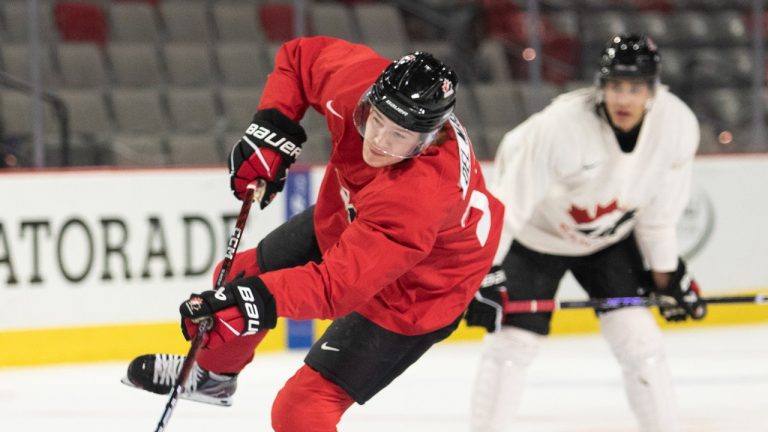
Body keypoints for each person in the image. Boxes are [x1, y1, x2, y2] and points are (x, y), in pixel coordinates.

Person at [121, 36, 503, 431]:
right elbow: (299, 58)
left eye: (398, 137)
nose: (376, 142)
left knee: (300, 410)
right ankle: (213, 380)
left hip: (424, 286)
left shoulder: (417, 195)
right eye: (376, 121)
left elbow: (335, 288)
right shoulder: (359, 85)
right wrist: (271, 128)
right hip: (359, 216)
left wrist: (253, 304)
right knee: (238, 275)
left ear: (425, 142)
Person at [464, 33, 707, 432]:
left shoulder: (676, 125)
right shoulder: (559, 128)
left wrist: (668, 278)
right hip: (536, 237)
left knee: (640, 341)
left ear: (653, 90)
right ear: (601, 86)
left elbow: (659, 215)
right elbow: (506, 207)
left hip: (609, 240)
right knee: (512, 345)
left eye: (635, 88)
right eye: (615, 86)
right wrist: (483, 273)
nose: (623, 99)